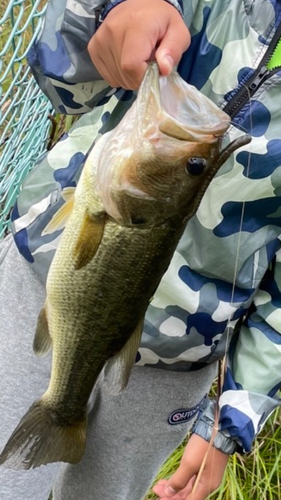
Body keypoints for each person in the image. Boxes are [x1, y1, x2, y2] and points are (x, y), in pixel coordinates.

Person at [0, 0, 281, 499]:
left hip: (175, 371)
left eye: (195, 163)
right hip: (38, 293)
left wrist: (230, 417)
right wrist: (111, 10)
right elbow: (60, 77)